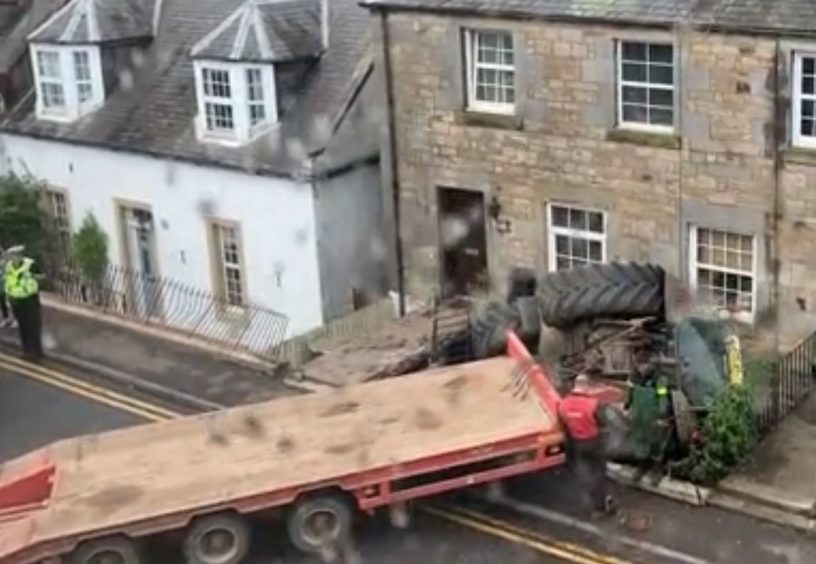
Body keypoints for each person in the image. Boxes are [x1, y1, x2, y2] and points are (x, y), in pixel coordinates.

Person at [558, 374, 614, 518]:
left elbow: (564, 426)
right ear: (587, 387)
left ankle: (590, 501)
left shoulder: (563, 404)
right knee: (598, 475)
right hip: (594, 443)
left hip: (577, 444)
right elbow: (604, 423)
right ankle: (600, 508)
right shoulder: (594, 404)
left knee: (586, 473)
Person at [4, 246, 44, 360]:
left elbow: (42, 276)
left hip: (30, 300)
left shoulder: (30, 265)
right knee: (23, 328)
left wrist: (33, 277)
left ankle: (37, 352)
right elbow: (9, 281)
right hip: (16, 300)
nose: (14, 258)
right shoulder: (8, 266)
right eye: (12, 256)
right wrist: (9, 297)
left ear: (21, 256)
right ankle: (26, 351)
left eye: (16, 256)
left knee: (33, 327)